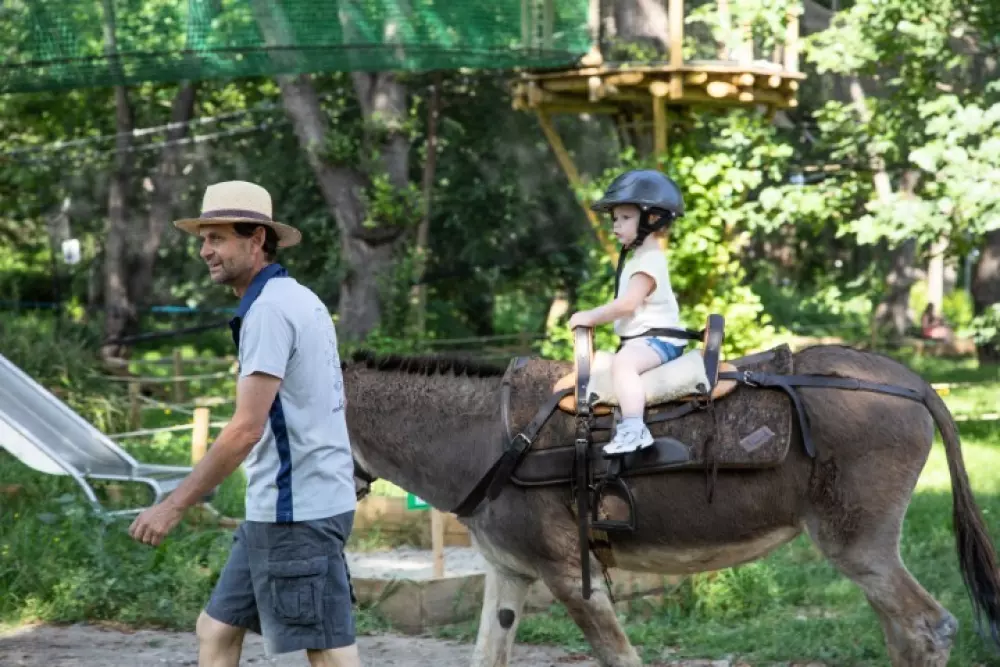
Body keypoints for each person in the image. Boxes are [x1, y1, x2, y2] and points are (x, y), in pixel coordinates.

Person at [127, 180, 362, 667]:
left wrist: (173, 506)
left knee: (329, 652)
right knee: (215, 629)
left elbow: (244, 429)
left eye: (216, 238)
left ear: (256, 239)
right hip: (285, 507)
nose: (204, 250)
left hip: (296, 511)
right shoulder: (297, 298)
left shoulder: (271, 311)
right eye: (203, 238)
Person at [567, 169, 687, 456]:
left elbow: (627, 305)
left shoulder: (649, 262)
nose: (616, 226)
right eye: (615, 219)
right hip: (644, 339)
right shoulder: (639, 259)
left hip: (659, 341)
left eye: (625, 218)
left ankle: (634, 428)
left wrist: (590, 316)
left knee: (623, 366)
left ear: (653, 218)